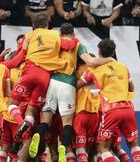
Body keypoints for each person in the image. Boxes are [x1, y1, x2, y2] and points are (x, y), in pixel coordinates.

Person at [29, 23, 114, 162]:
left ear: (60, 34)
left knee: (46, 119)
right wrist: (108, 59)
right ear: (73, 34)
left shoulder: (55, 42)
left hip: (52, 82)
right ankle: (64, 146)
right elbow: (91, 61)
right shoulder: (78, 45)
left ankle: (38, 134)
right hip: (68, 84)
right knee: (67, 123)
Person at [6, 14, 78, 159]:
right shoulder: (55, 35)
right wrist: (75, 39)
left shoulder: (29, 36)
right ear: (48, 23)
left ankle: (22, 124)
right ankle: (61, 147)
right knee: (33, 108)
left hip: (29, 72)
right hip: (45, 78)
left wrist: (0, 62)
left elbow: (16, 59)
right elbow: (69, 45)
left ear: (33, 25)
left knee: (11, 104)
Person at [77, 38, 140, 162]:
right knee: (134, 144)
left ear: (98, 52)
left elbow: (77, 85)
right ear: (113, 53)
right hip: (128, 107)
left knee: (103, 148)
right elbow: (131, 88)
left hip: (111, 110)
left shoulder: (93, 70)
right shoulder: (123, 68)